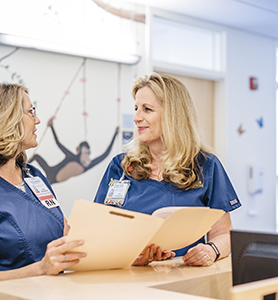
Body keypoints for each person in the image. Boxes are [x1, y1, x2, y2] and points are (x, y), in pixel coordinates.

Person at [94, 72, 241, 266]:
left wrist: (211, 250)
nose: (137, 117)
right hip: (127, 280)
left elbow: (224, 234)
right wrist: (130, 256)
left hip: (183, 279)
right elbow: (97, 232)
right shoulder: (121, 167)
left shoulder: (206, 166)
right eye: (136, 108)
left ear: (173, 115)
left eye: (147, 109)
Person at [0, 83, 86, 283]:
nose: (37, 120)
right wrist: (41, 269)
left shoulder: (33, 175)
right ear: (6, 118)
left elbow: (66, 235)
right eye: (30, 112)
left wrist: (125, 251)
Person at [29, 119, 119, 184]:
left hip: (53, 179)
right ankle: (20, 168)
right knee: (36, 156)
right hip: (51, 171)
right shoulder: (71, 156)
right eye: (84, 152)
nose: (86, 155)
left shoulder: (89, 165)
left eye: (88, 152)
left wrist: (115, 134)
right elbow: (58, 143)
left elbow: (105, 155)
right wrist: (51, 127)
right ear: (79, 150)